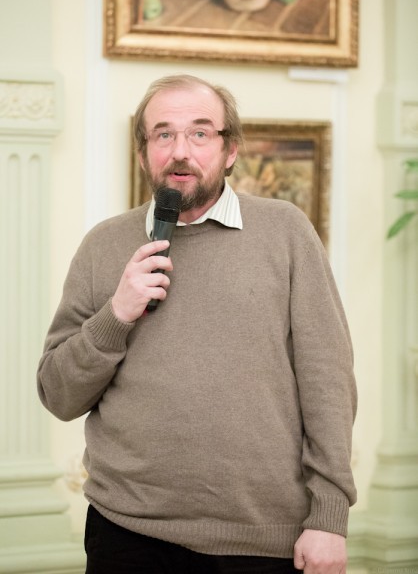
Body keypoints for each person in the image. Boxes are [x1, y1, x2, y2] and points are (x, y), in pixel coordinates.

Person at [37, 74, 357, 574]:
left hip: (261, 540)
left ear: (231, 150)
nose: (180, 151)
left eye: (200, 133)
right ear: (143, 153)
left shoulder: (286, 231)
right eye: (163, 134)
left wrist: (330, 517)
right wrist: (116, 315)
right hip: (127, 532)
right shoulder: (103, 245)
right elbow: (58, 396)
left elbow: (328, 381)